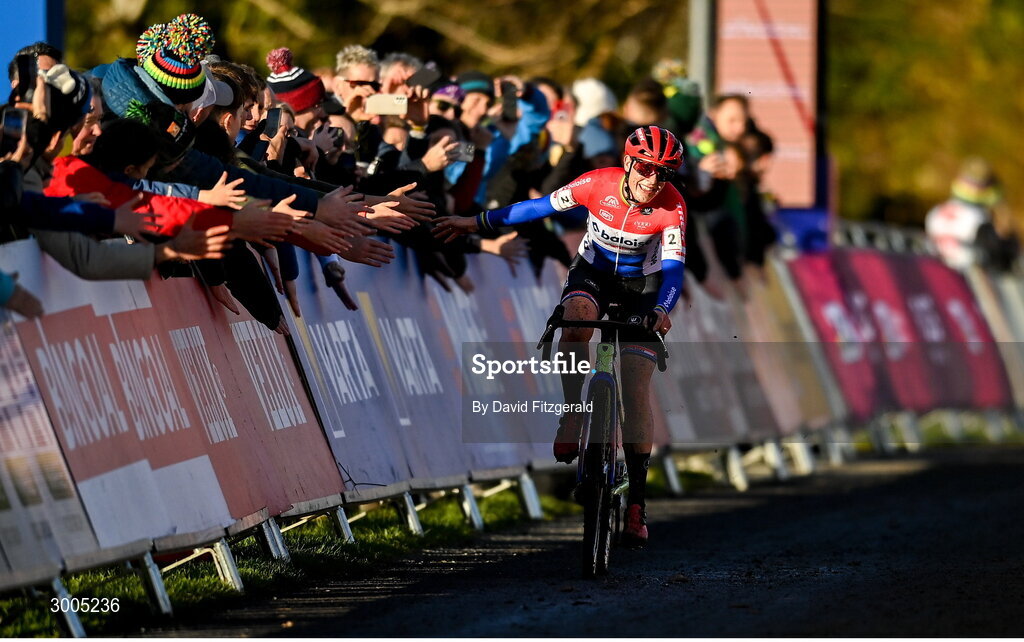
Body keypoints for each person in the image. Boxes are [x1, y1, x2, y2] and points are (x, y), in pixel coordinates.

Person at [434, 125, 687, 547]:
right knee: (575, 320)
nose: (653, 180)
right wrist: (475, 223)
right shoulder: (596, 184)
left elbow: (675, 269)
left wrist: (662, 310)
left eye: (664, 173)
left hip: (642, 289)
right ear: (628, 163)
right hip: (592, 275)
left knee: (636, 381)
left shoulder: (671, 206)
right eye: (645, 168)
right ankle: (572, 410)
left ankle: (638, 504)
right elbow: (536, 208)